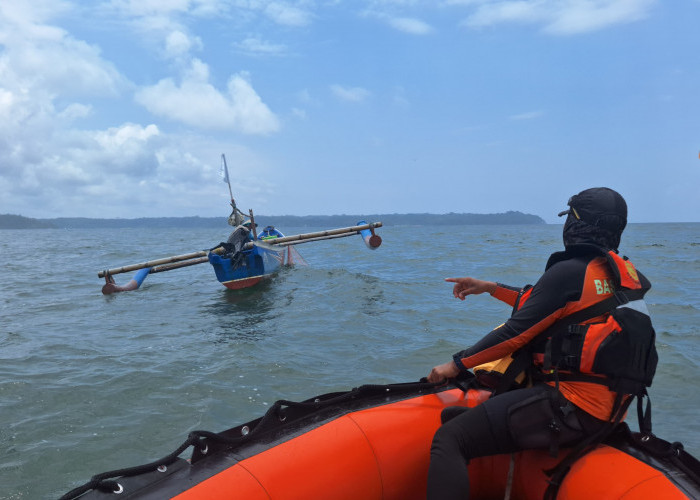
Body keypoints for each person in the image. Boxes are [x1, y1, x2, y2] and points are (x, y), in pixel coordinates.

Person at [426, 187, 653, 499]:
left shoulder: (569, 272)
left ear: (575, 224)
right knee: (457, 417)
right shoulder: (624, 276)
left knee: (450, 438)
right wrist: (491, 288)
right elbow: (549, 306)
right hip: (609, 412)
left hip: (570, 408)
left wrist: (455, 364)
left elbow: (513, 334)